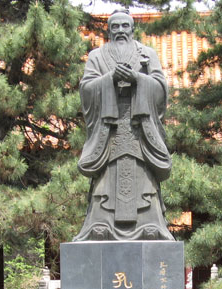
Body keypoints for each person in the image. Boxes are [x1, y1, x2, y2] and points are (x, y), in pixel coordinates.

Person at [73, 9, 174, 241]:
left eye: (124, 26)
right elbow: (86, 89)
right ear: (109, 30)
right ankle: (100, 224)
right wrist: (109, 79)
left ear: (132, 29)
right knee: (105, 182)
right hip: (110, 132)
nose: (120, 30)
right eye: (115, 26)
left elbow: (160, 89)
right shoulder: (96, 57)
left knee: (144, 181)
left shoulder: (147, 54)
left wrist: (138, 79)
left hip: (139, 131)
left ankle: (150, 224)